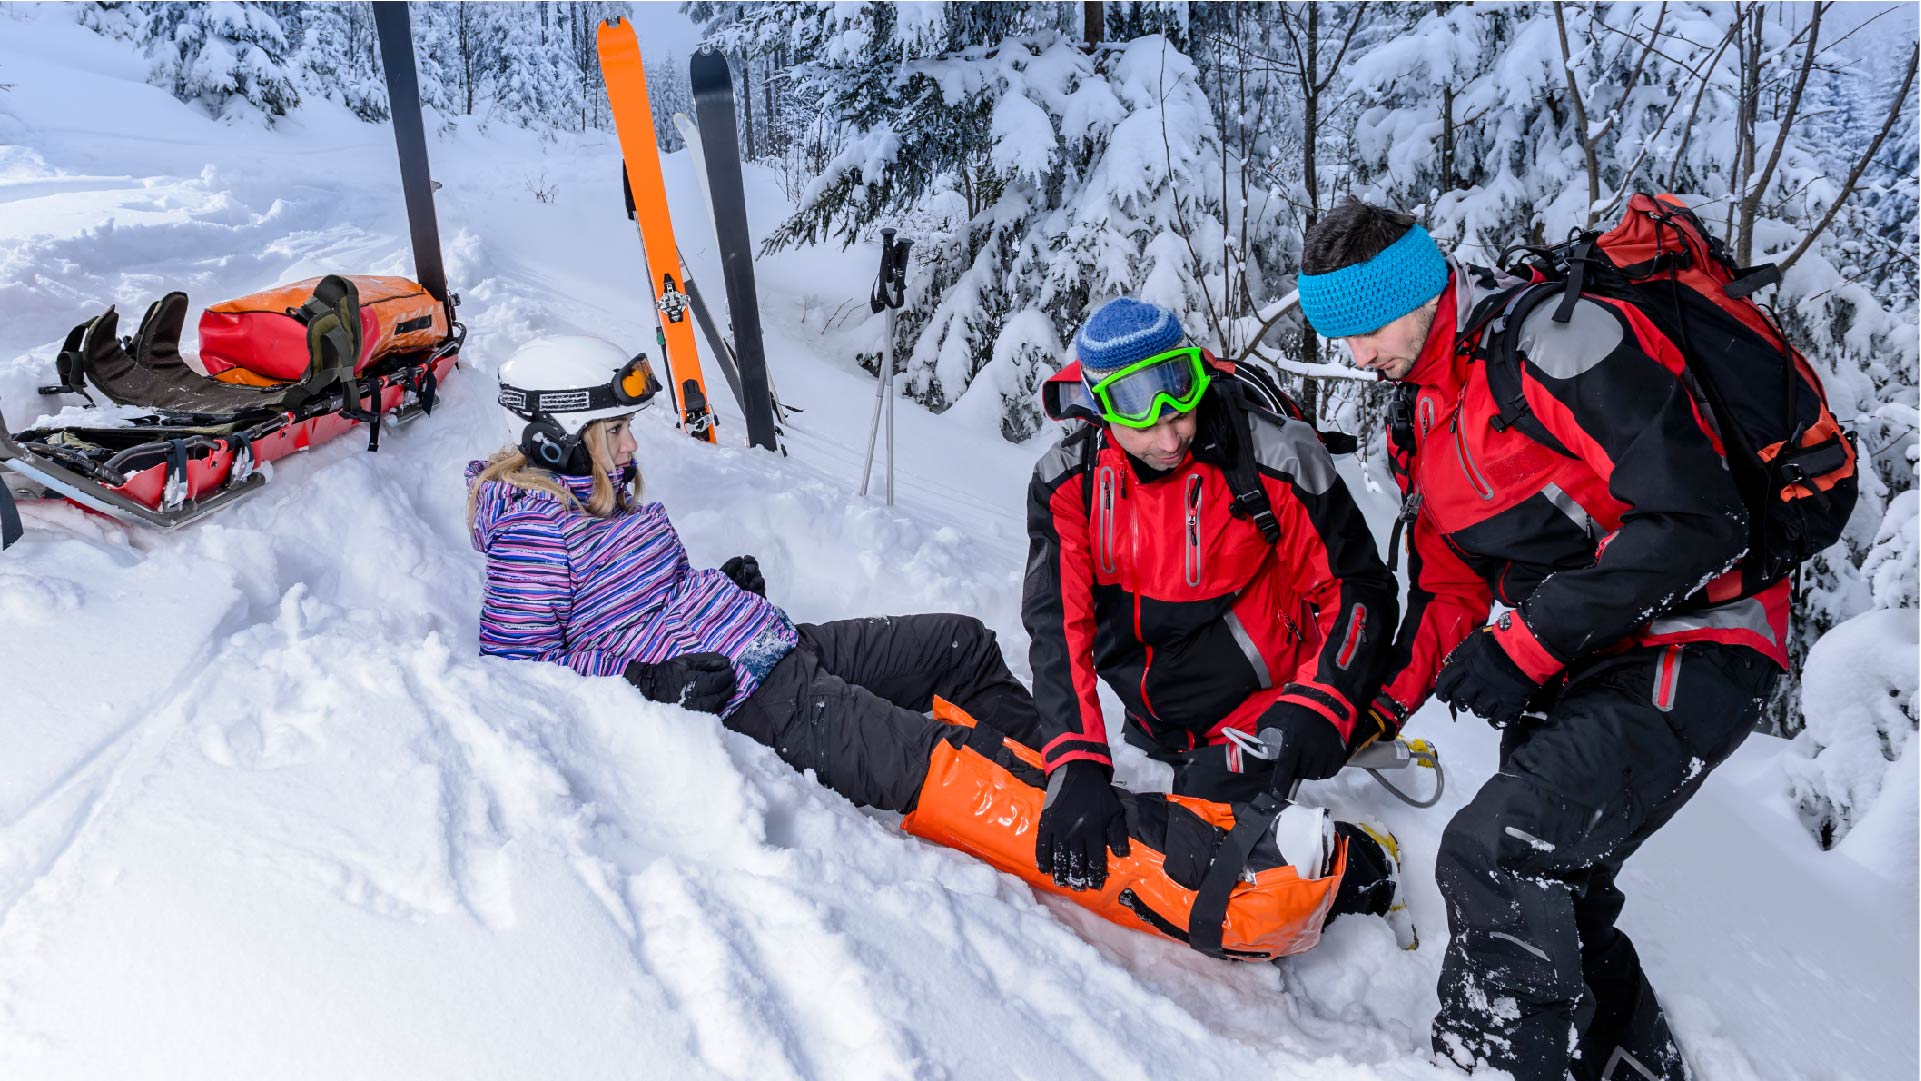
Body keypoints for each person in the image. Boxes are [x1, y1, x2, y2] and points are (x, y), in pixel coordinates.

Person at [466, 335, 1409, 961]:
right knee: (960, 769)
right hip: (753, 700)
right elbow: (520, 675)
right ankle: (1254, 882)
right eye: (614, 430)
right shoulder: (529, 532)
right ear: (554, 439)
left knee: (957, 646)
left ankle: (1070, 775)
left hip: (772, 644)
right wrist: (652, 678)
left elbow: (629, 602)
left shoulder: (602, 501)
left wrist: (710, 591)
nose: (631, 445)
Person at [1296, 201, 1788, 1081]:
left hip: (1698, 641)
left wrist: (1523, 644)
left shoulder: (1554, 344)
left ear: (1419, 286)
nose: (1356, 355)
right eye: (1339, 336)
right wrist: (1367, 710)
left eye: (1365, 326)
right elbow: (1449, 590)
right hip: (1580, 667)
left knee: (1498, 852)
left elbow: (1696, 517)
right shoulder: (1419, 422)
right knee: (1560, 891)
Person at [1022, 297, 1400, 892]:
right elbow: (1057, 625)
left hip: (1262, 711)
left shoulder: (1273, 455)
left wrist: (1322, 701)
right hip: (1152, 716)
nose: (1171, 436)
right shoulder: (1068, 483)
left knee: (1209, 862)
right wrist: (1076, 757)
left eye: (1182, 410)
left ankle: (1356, 854)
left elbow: (1358, 588)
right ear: (1099, 409)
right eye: (1144, 422)